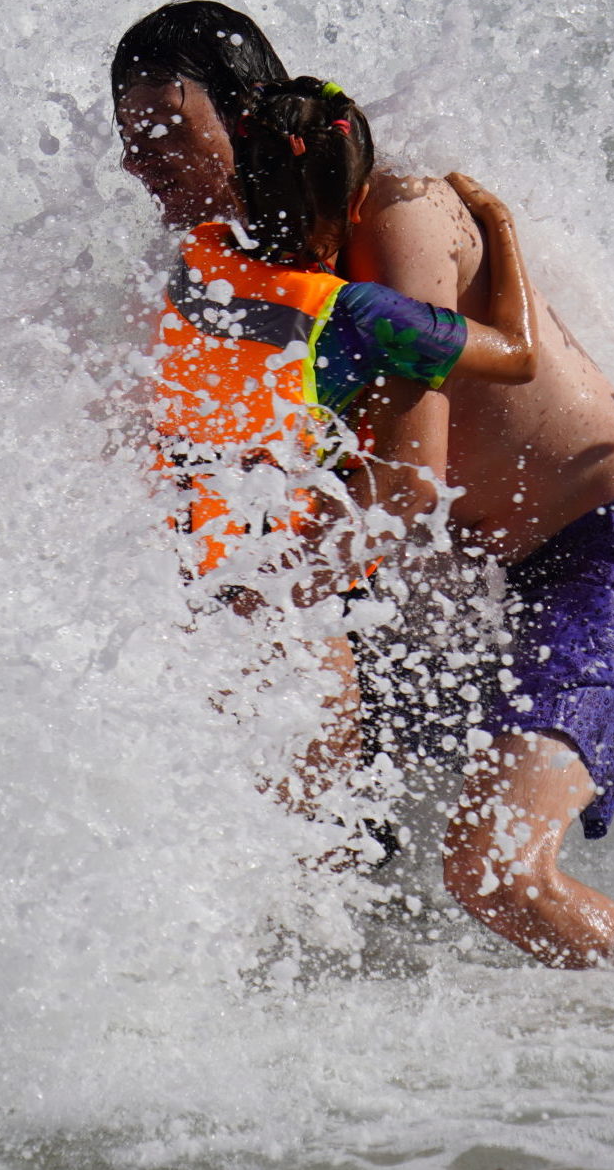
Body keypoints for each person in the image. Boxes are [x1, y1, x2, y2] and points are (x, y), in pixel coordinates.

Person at [113, 1, 614, 969]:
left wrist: (260, 595)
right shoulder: (249, 272)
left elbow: (405, 488)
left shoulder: (399, 211)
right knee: (319, 842)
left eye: (163, 131)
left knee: (496, 874)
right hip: (466, 590)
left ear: (242, 115)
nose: (137, 163)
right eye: (126, 139)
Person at [140, 73, 538, 837]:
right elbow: (517, 356)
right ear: (354, 207)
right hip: (283, 605)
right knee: (316, 853)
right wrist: (500, 224)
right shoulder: (361, 315)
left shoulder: (197, 261)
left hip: (180, 581)